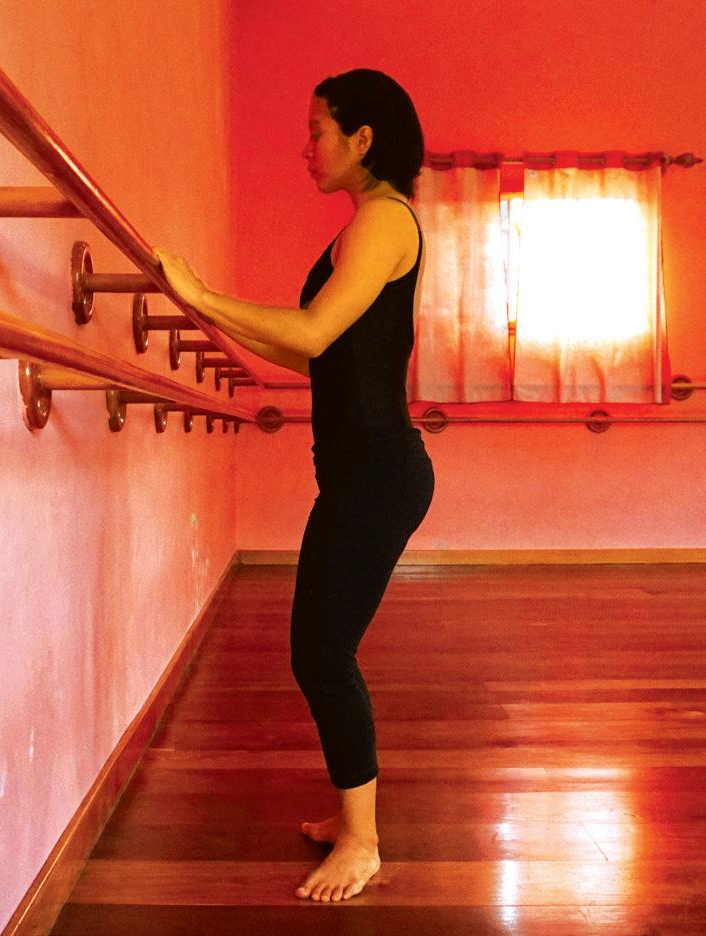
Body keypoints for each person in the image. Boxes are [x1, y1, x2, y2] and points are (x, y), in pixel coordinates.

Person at [154, 68, 435, 903]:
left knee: (320, 653)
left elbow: (312, 330)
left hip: (376, 474)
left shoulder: (383, 221)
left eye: (317, 130)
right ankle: (350, 814)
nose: (305, 148)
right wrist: (206, 310)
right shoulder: (368, 225)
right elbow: (311, 349)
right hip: (362, 472)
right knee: (318, 649)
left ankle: (363, 841)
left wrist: (203, 294)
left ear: (362, 138)